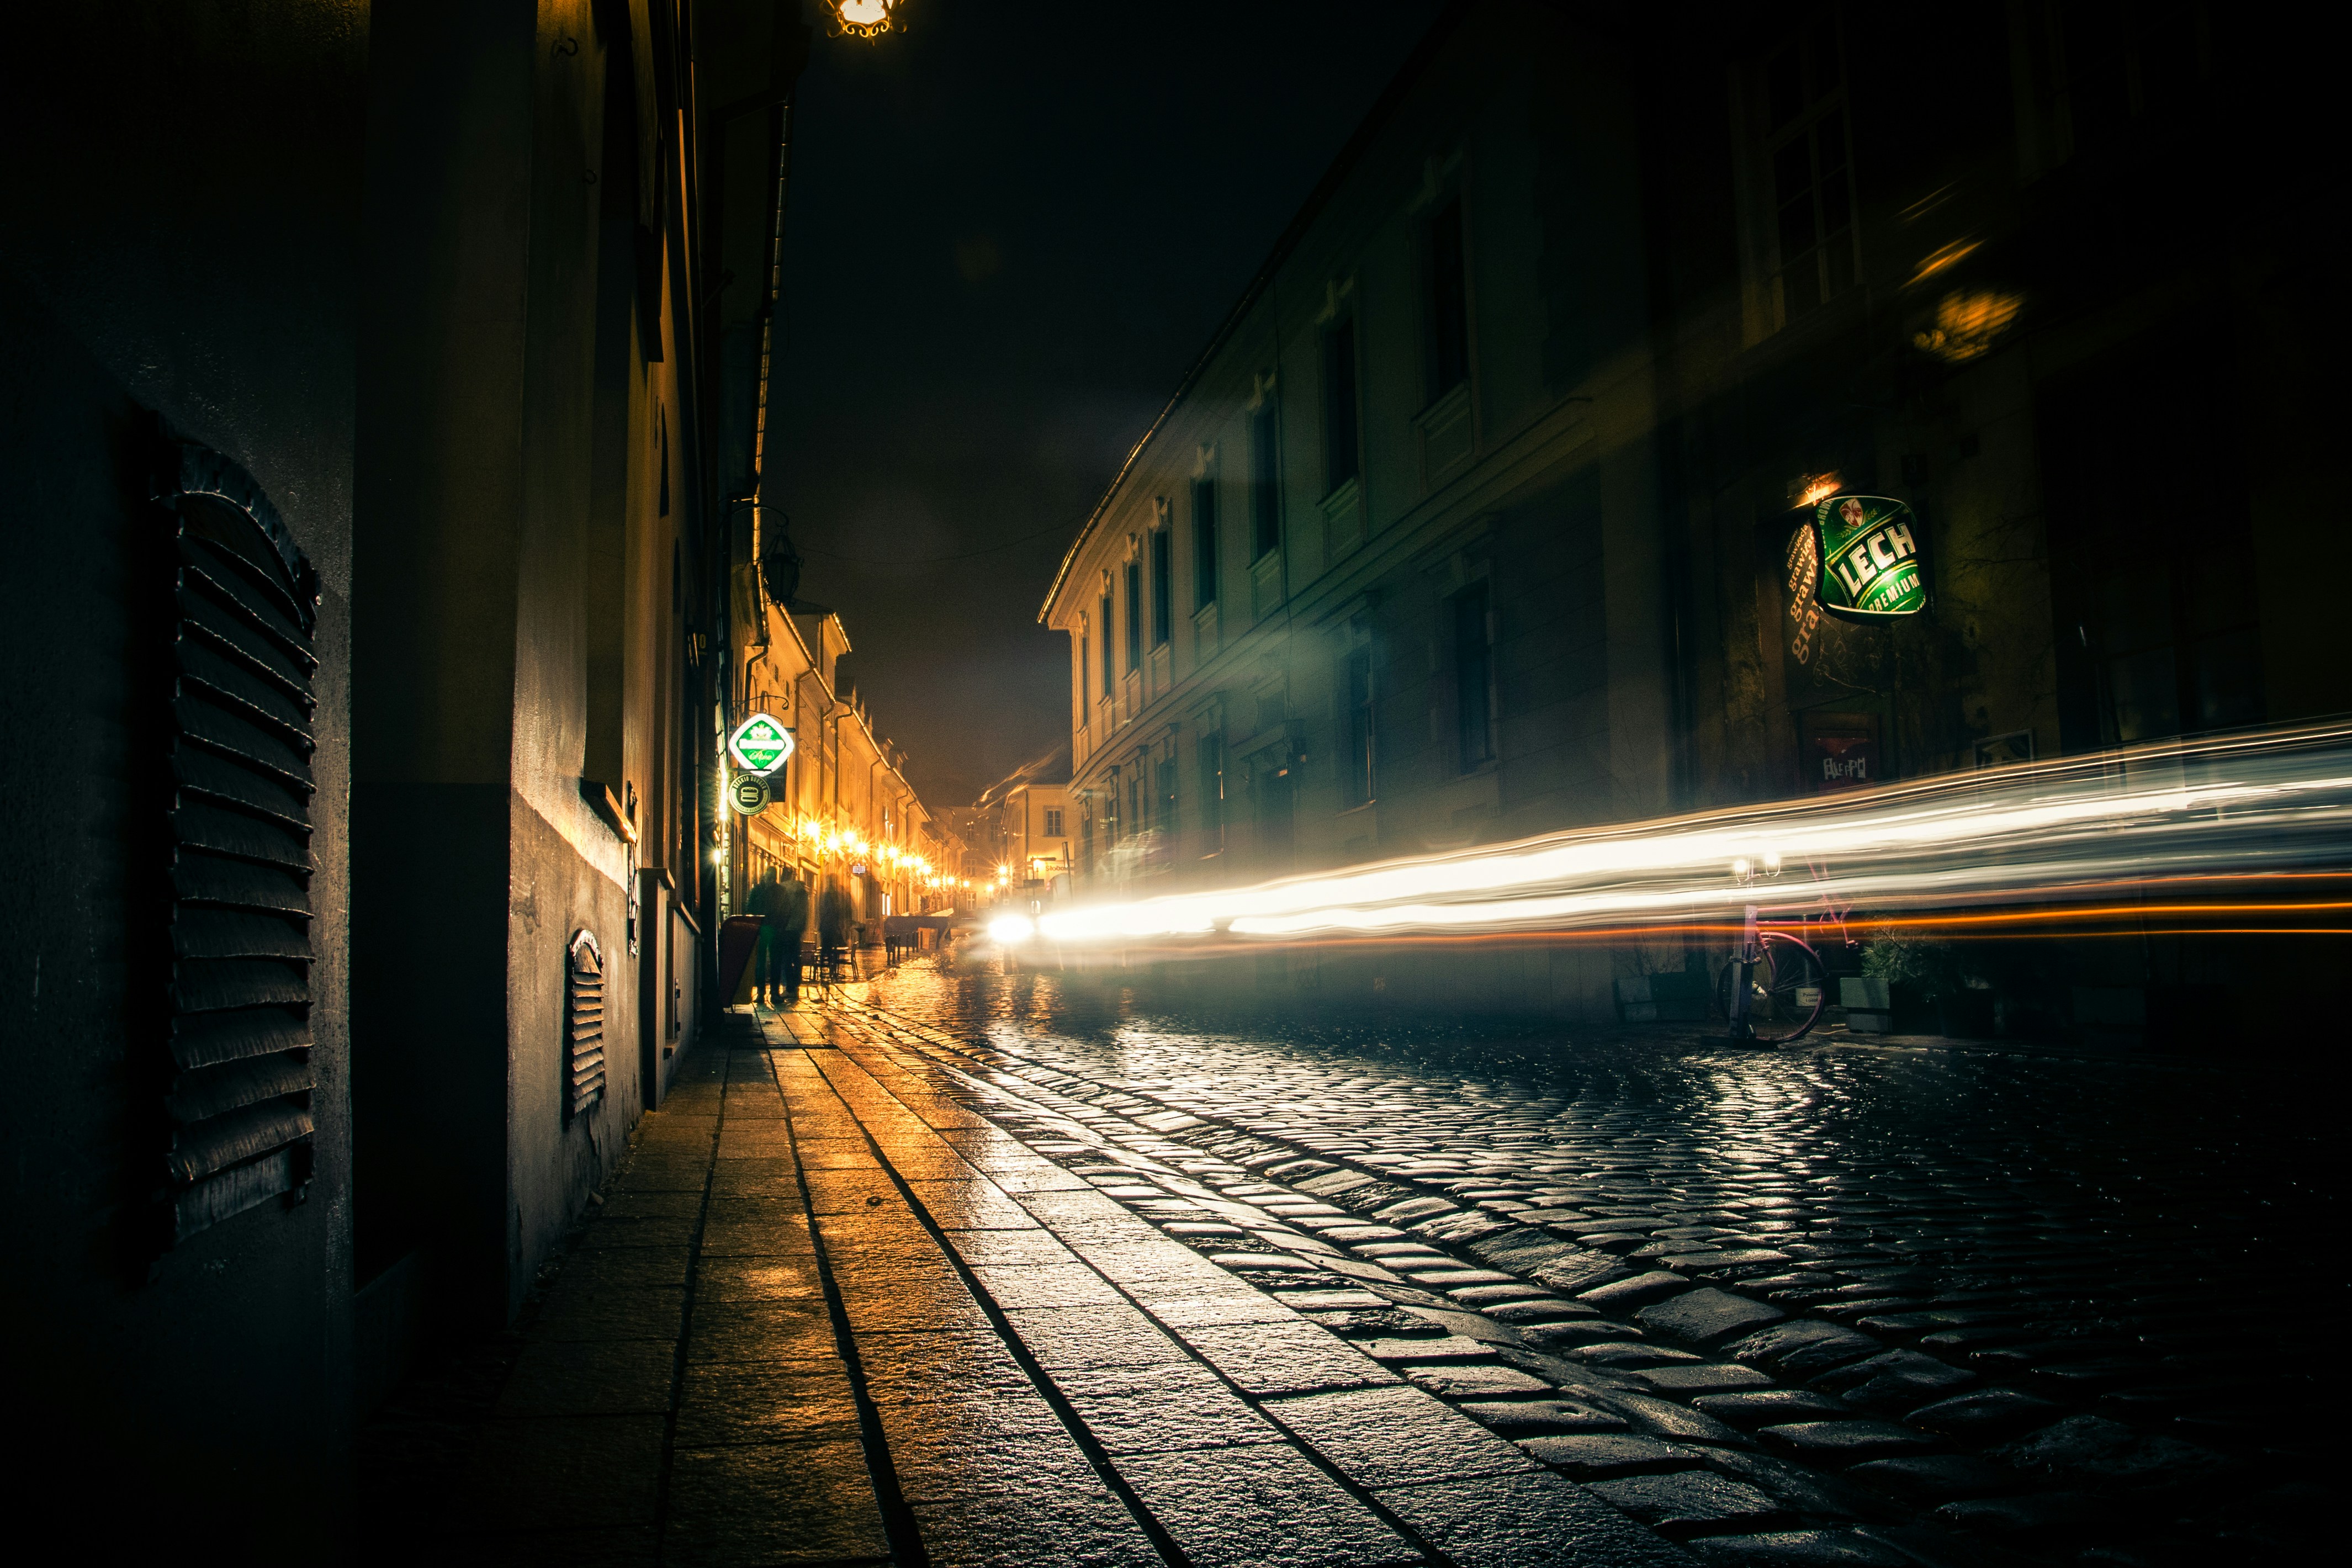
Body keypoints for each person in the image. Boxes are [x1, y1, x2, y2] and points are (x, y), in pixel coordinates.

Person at [744, 867, 785, 1005]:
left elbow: (749, 907)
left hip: (766, 929)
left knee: (765, 962)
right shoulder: (779, 891)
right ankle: (770, 993)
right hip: (769, 929)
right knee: (769, 962)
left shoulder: (758, 891)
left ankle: (765, 993)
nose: (768, 880)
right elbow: (786, 911)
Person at [776, 871, 810, 1002]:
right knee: (796, 957)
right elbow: (806, 912)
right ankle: (796, 985)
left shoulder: (784, 889)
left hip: (786, 928)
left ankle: (788, 988)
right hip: (798, 928)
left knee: (785, 958)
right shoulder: (802, 891)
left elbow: (782, 910)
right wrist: (803, 926)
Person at [817, 878, 854, 981]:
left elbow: (824, 911)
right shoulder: (834, 897)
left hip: (827, 928)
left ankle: (825, 971)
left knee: (826, 950)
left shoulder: (828, 896)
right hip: (831, 928)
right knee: (830, 950)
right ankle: (830, 971)